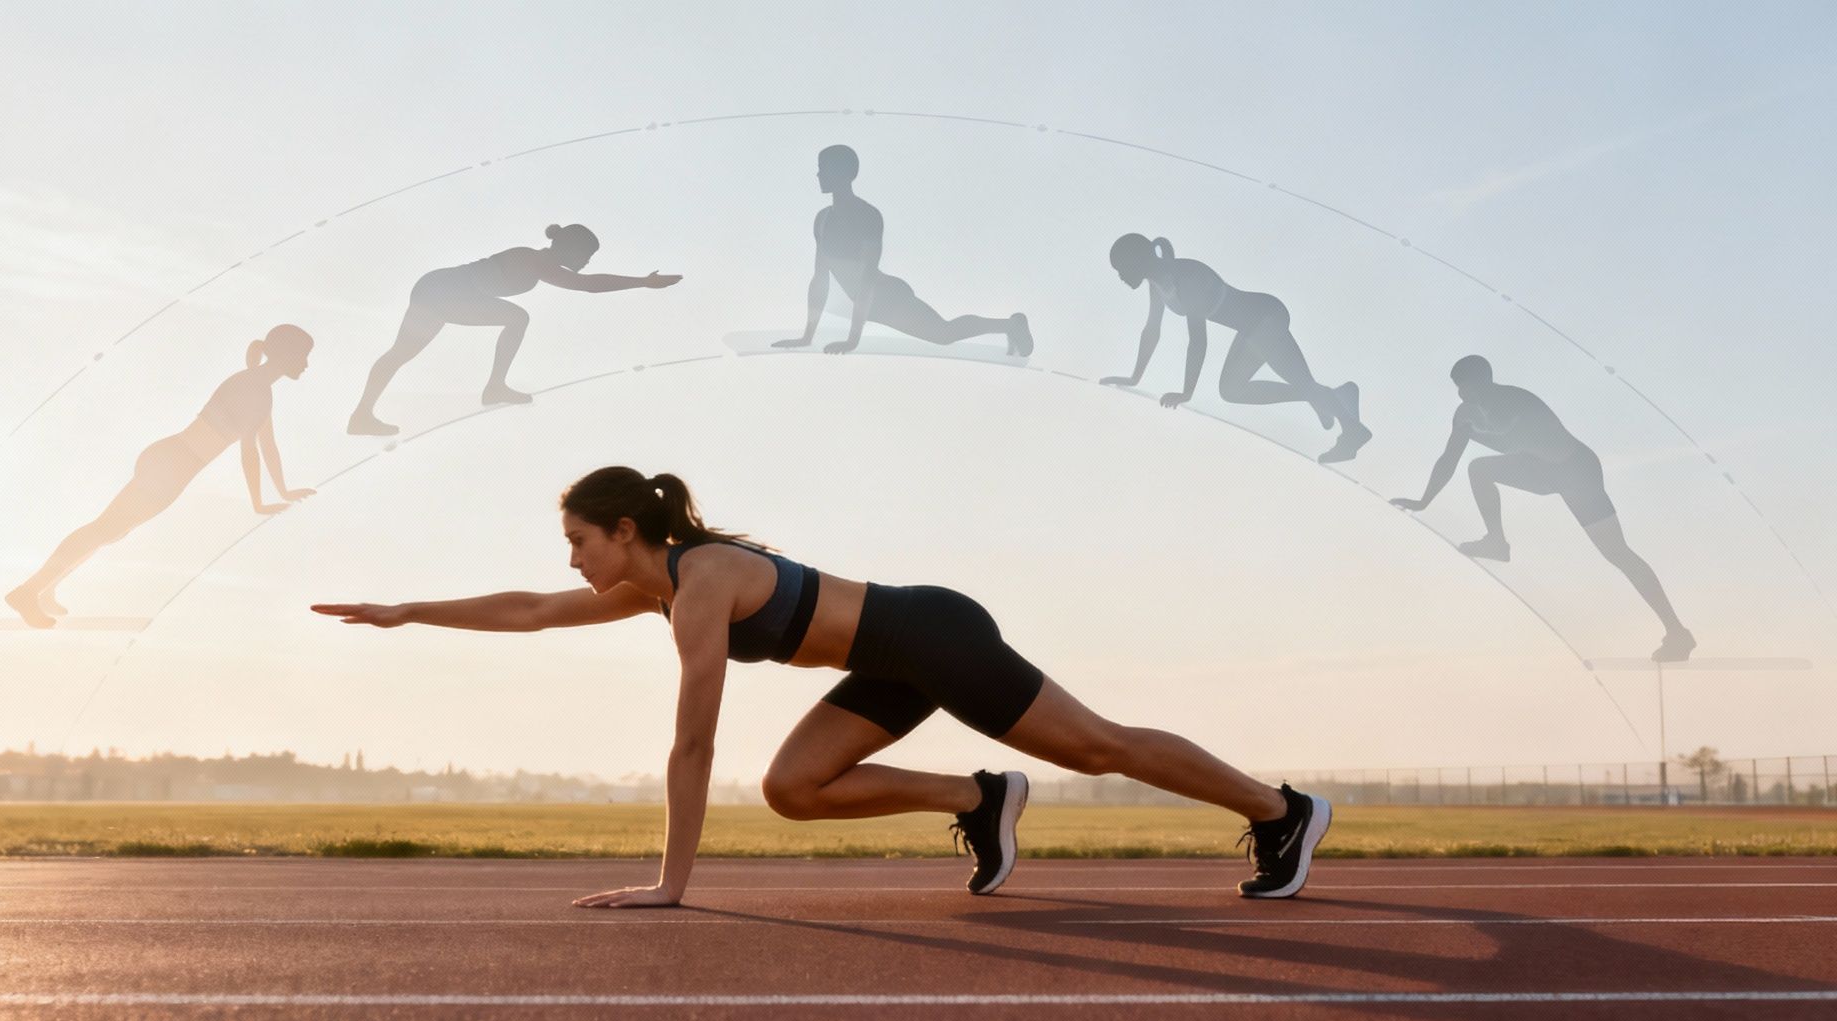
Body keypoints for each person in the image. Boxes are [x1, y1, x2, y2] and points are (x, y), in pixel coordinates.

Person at [313, 466, 1331, 906]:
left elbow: (691, 745)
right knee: (793, 789)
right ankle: (979, 801)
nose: (571, 560)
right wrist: (406, 612)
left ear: (626, 532)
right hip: (884, 664)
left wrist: (672, 883)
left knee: (1097, 747)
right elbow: (529, 610)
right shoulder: (650, 587)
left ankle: (1280, 811)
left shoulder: (700, 584)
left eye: (578, 540)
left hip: (932, 634)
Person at [6, 326, 316, 629]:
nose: (305, 364)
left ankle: (46, 588)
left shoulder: (259, 388)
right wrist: (259, 503)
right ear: (286, 355)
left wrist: (284, 491)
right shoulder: (255, 389)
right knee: (105, 528)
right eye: (303, 356)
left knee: (111, 532)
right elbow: (250, 451)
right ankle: (28, 592)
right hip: (172, 466)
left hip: (172, 462)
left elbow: (268, 445)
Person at [1391, 355, 1695, 661]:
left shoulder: (1518, 400)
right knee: (1478, 468)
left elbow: (1518, 440)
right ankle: (1496, 541)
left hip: (1576, 470)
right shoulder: (1464, 415)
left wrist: (1481, 428)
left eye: (1471, 386)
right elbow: (1448, 459)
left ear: (1487, 381)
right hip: (1539, 470)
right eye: (1461, 389)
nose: (1466, 394)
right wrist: (1423, 501)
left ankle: (1677, 633)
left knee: (1617, 553)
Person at [347, 225, 683, 436]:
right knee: (517, 317)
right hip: (444, 289)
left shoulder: (537, 263)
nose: (588, 261)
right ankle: (494, 386)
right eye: (587, 254)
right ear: (570, 249)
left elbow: (585, 281)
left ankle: (361, 416)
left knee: (400, 354)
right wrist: (642, 282)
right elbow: (586, 285)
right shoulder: (533, 259)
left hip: (437, 291)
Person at [1102, 233, 1372, 464]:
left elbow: (1198, 339)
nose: (1120, 276)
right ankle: (1335, 397)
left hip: (1265, 317)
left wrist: (1187, 392)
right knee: (1234, 390)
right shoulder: (1158, 283)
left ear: (1137, 260)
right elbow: (1152, 331)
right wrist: (1134, 377)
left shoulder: (1186, 275)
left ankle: (1352, 430)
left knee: (1301, 385)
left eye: (1121, 268)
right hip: (1252, 327)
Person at [771, 145, 1034, 357]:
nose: (818, 175)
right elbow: (820, 279)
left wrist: (853, 340)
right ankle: (1010, 325)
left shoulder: (868, 216)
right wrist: (807, 336)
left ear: (842, 173)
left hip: (888, 298)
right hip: (865, 306)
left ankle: (1012, 325)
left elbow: (867, 278)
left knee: (943, 334)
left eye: (822, 169)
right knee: (942, 332)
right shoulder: (822, 220)